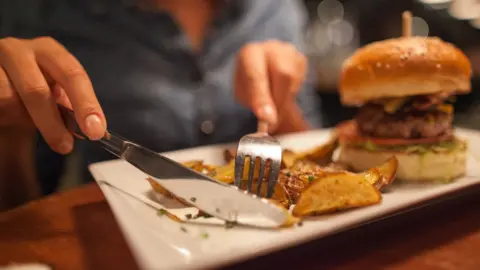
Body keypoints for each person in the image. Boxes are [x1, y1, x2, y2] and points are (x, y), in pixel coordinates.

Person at [0, 0, 323, 206]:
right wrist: (9, 136)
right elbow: (23, 209)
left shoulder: (275, 9)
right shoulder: (47, 14)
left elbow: (314, 162)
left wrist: (280, 108)